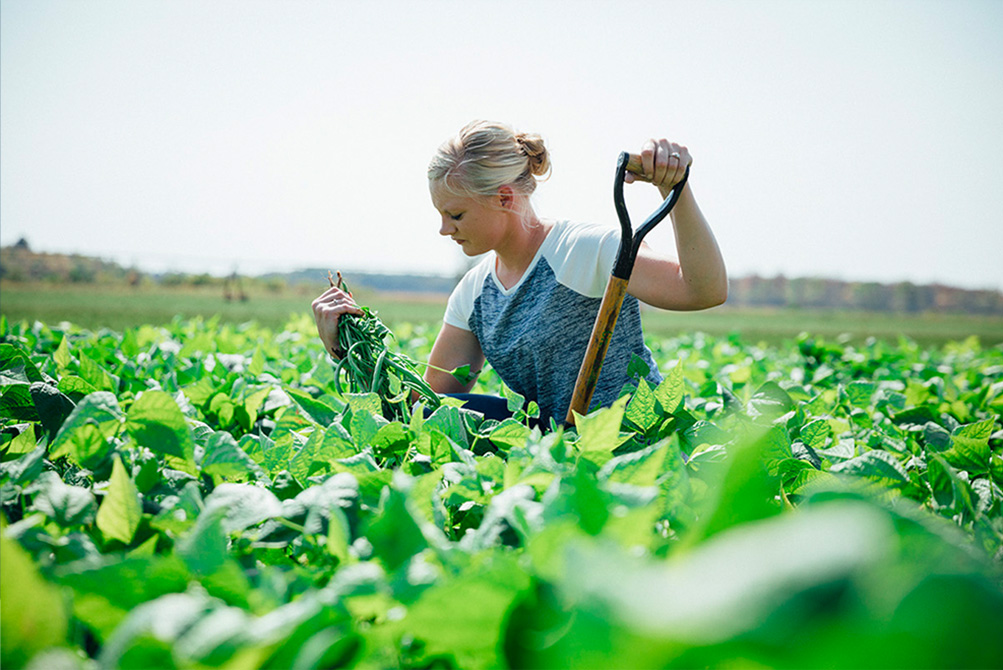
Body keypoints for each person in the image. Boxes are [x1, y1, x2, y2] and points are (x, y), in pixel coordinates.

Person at [312, 120, 727, 427]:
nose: (444, 229)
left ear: (504, 198)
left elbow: (702, 290)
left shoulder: (582, 249)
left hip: (635, 435)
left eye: (455, 214)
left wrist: (676, 190)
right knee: (475, 414)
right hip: (559, 444)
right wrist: (347, 346)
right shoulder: (475, 293)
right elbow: (429, 406)